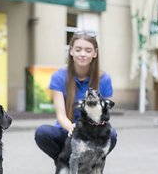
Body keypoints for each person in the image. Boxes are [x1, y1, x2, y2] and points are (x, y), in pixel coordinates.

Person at [34, 31, 117, 165]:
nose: (82, 54)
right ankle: (64, 164)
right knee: (42, 133)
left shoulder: (104, 79)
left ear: (95, 53)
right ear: (71, 51)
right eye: (78, 49)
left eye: (88, 50)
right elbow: (61, 115)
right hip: (68, 131)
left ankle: (91, 167)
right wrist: (74, 128)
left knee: (111, 135)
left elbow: (104, 114)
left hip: (92, 133)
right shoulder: (59, 77)